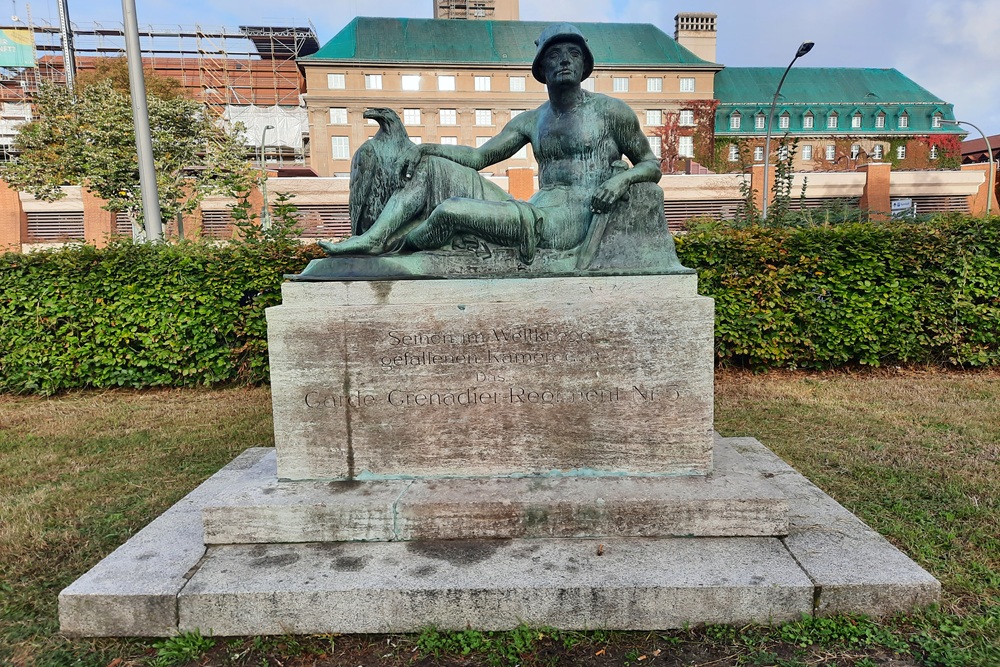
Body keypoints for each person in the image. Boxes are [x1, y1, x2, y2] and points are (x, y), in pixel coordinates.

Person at [321, 23, 663, 264]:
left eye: (574, 54)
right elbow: (478, 157)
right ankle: (374, 239)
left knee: (450, 211)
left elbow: (651, 164)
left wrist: (622, 180)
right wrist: (426, 148)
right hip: (533, 207)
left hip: (568, 221)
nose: (564, 60)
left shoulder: (611, 112)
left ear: (584, 64)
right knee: (430, 166)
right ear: (541, 67)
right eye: (555, 54)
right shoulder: (532, 120)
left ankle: (396, 246)